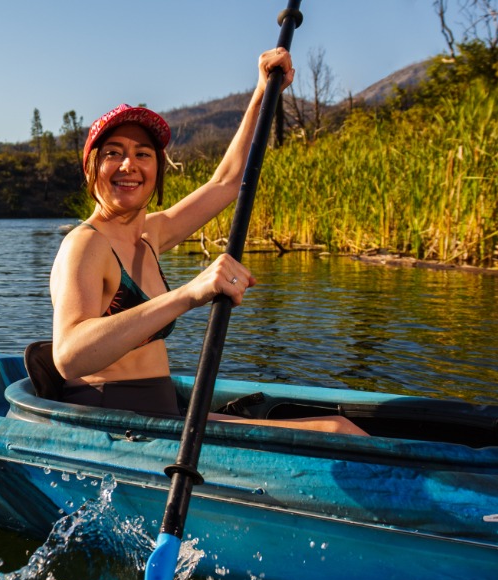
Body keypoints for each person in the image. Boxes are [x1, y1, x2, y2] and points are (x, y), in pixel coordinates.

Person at [48, 47, 366, 436]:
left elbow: (227, 182)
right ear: (92, 169)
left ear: (156, 169)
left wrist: (264, 92)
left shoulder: (149, 234)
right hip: (114, 424)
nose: (129, 165)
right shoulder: (85, 244)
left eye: (142, 154)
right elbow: (68, 357)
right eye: (113, 153)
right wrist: (188, 293)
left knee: (339, 426)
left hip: (160, 412)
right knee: (337, 431)